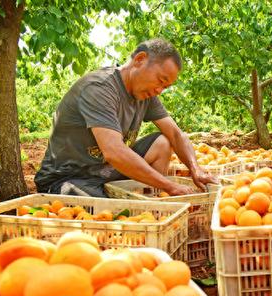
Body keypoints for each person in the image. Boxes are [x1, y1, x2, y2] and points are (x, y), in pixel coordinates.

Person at [35, 38, 217, 197]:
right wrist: (169, 185)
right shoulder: (100, 88)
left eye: (166, 87)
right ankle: (133, 203)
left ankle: (153, 202)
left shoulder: (146, 95)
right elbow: (114, 151)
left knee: (164, 141)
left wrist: (196, 169)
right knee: (115, 217)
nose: (159, 91)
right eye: (161, 81)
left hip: (105, 172)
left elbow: (176, 135)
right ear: (140, 60)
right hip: (68, 178)